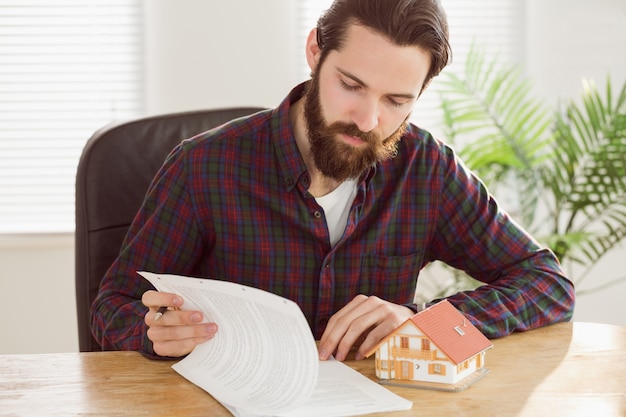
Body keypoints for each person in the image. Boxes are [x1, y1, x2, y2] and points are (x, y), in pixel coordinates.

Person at [91, 0, 575, 361]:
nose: (368, 119)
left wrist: (422, 321)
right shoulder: (203, 167)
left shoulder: (426, 169)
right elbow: (112, 306)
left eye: (396, 101)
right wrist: (153, 331)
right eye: (352, 85)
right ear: (315, 51)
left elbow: (547, 284)